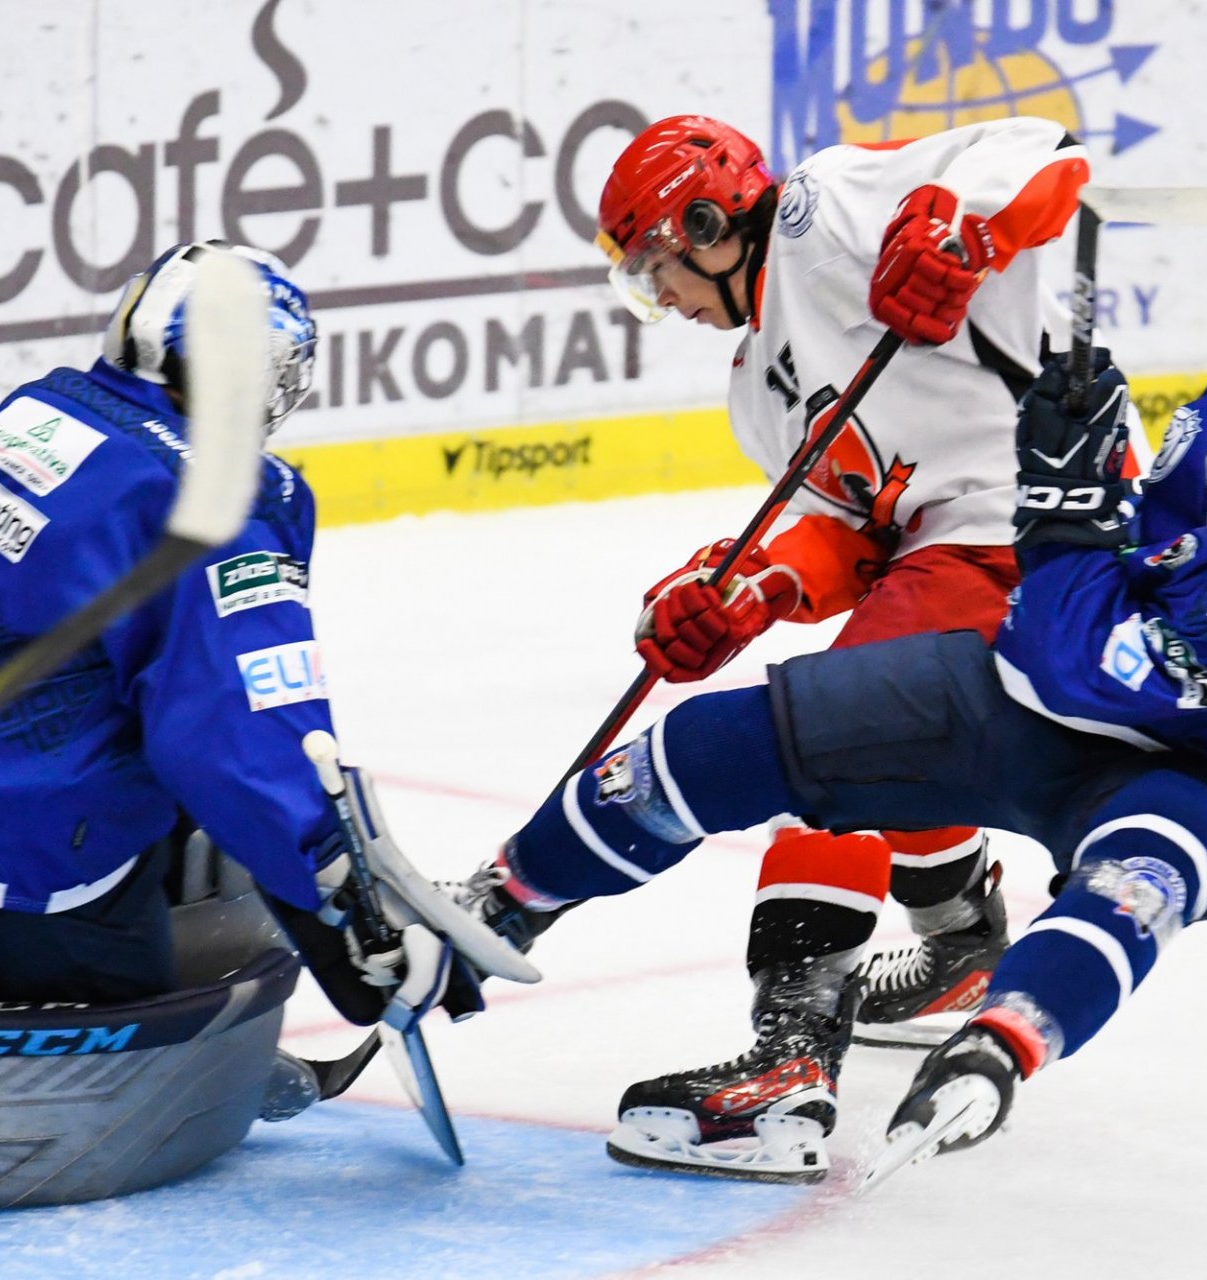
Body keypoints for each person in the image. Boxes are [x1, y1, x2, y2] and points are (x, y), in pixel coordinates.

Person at [473, 315, 1207, 1181]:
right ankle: (500, 904)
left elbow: (1068, 663)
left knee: (1136, 885)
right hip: (1056, 681)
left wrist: (1064, 504)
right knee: (728, 739)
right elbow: (1126, 550)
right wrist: (1090, 443)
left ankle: (996, 1046)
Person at [0, 241, 493, 1230]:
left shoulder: (51, 411)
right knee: (183, 933)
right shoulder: (213, 507)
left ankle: (33, 984)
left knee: (194, 804)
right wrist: (357, 923)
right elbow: (243, 745)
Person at [466, 112, 1096, 1173]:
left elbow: (1049, 156)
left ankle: (790, 1063)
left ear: (710, 225)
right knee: (893, 732)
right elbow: (852, 536)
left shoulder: (824, 209)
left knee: (830, 738)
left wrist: (959, 229)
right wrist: (745, 589)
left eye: (657, 265)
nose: (661, 296)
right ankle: (959, 942)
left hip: (1035, 525)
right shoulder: (758, 388)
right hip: (955, 551)